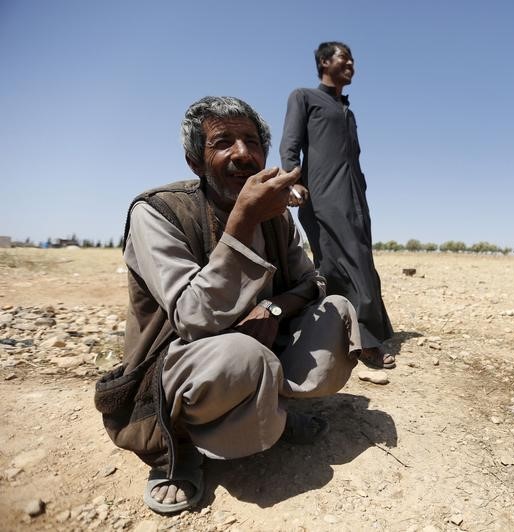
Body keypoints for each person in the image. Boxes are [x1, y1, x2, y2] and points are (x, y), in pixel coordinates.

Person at [95, 96, 361, 514]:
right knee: (242, 355)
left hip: (259, 346)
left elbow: (313, 283)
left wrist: (273, 309)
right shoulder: (159, 212)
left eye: (252, 141)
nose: (242, 153)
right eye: (223, 142)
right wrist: (241, 223)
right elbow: (191, 317)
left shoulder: (277, 216)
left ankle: (272, 411)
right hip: (180, 362)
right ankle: (177, 446)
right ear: (194, 161)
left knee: (337, 315)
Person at [280, 41, 395, 370]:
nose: (352, 65)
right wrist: (292, 181)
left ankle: (344, 329)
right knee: (338, 261)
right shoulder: (303, 97)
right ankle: (365, 340)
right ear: (323, 62)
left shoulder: (347, 111)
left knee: (360, 258)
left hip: (354, 195)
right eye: (345, 58)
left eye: (353, 60)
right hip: (323, 194)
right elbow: (291, 143)